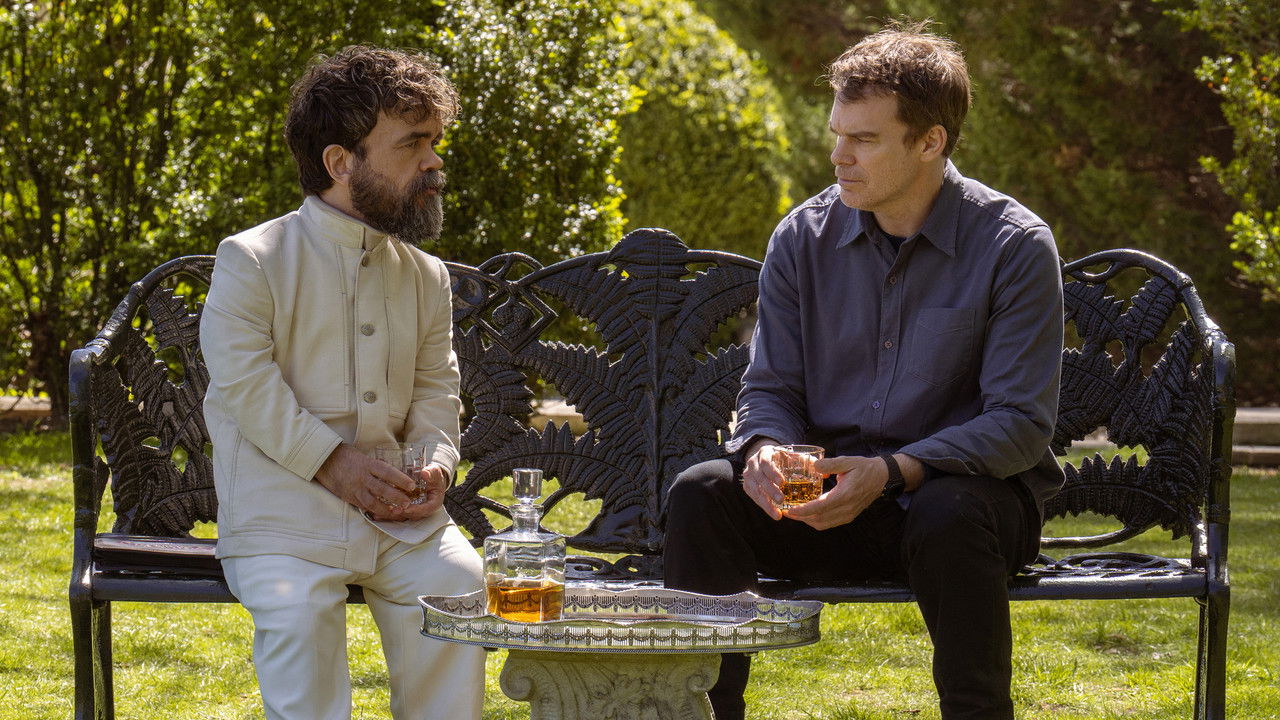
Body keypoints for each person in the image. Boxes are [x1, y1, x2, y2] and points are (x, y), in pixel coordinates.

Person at [663, 21, 1064, 720]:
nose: (839, 157)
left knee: (950, 509)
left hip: (960, 509)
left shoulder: (1014, 245)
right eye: (837, 135)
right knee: (703, 492)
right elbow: (770, 386)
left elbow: (1020, 423)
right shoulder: (802, 237)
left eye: (865, 139)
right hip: (824, 502)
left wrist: (895, 471)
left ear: (930, 141)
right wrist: (763, 448)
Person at [200, 46, 484, 720]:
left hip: (402, 522)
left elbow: (437, 391)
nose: (434, 161)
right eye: (413, 143)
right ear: (340, 162)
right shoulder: (252, 259)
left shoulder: (426, 275)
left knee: (459, 583)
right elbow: (246, 385)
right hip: (283, 518)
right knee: (299, 618)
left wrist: (436, 464)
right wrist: (331, 463)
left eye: (434, 142)